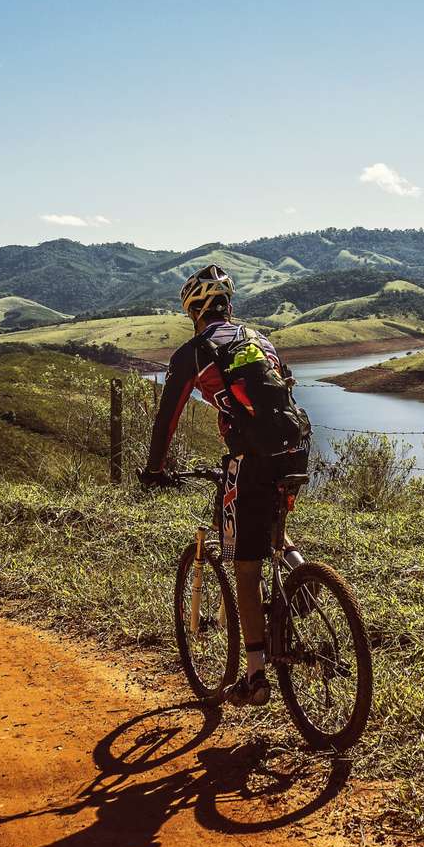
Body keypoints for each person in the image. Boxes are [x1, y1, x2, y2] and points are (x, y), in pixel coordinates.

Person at [141, 264, 310, 707]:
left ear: (193, 312)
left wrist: (155, 469)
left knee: (246, 564)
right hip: (295, 450)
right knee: (273, 529)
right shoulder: (259, 340)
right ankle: (305, 578)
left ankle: (254, 677)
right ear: (228, 307)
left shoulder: (194, 352)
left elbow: (166, 420)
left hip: (250, 460)